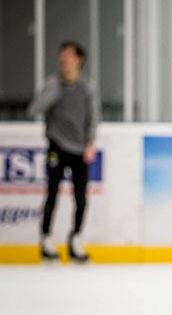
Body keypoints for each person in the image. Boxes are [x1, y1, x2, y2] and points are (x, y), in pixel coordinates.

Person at [28, 41, 98, 263]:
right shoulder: (53, 84)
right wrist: (55, 90)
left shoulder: (87, 86)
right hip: (57, 146)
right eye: (62, 55)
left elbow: (93, 116)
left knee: (81, 198)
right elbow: (35, 109)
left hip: (80, 148)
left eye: (68, 55)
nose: (63, 59)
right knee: (51, 193)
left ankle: (76, 238)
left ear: (79, 59)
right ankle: (46, 238)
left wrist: (90, 142)